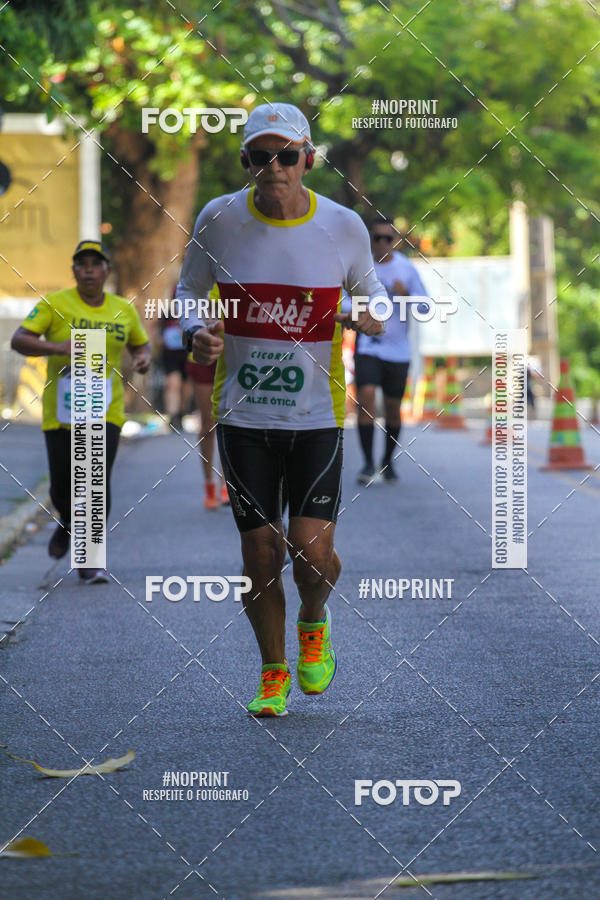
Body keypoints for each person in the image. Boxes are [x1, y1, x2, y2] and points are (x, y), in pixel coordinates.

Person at [177, 102, 385, 717]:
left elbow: (374, 297)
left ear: (308, 159)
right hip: (242, 416)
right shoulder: (218, 218)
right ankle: (273, 673)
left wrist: (371, 317)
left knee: (310, 552)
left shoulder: (343, 227)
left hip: (316, 416)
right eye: (261, 156)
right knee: (260, 553)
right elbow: (188, 291)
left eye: (286, 155)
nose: (274, 167)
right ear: (246, 161)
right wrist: (196, 332)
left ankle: (313, 622)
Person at [10, 240, 151, 584]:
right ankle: (67, 522)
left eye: (95, 263)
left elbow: (139, 342)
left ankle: (90, 558)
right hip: (62, 412)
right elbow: (18, 339)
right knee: (63, 486)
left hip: (106, 411)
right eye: (82, 264)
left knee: (96, 481)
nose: (88, 269)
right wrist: (57, 346)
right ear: (73, 271)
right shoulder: (54, 304)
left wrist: (143, 356)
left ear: (106, 271)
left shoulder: (123, 309)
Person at [355, 217, 427, 485]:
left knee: (394, 409)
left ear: (395, 242)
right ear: (370, 240)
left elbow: (426, 307)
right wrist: (355, 312)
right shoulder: (361, 268)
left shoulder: (406, 269)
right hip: (369, 345)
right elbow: (344, 299)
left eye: (388, 238)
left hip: (398, 351)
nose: (382, 244)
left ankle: (387, 460)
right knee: (366, 398)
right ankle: (367, 463)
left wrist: (407, 295)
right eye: (377, 238)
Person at [158, 305, 189, 431]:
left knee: (186, 387)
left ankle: (181, 414)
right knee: (173, 383)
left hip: (187, 354)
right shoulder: (166, 312)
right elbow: (157, 327)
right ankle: (173, 417)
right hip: (170, 354)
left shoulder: (193, 311)